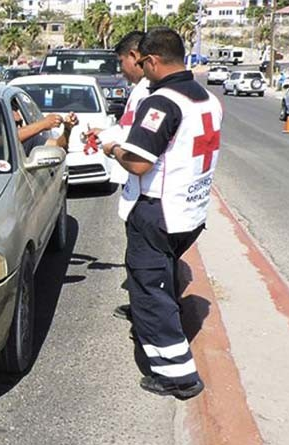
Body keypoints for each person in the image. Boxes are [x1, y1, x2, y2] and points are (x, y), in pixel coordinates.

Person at [101, 28, 222, 399]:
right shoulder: (206, 98)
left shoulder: (162, 102)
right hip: (191, 212)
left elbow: (137, 163)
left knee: (150, 293)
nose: (140, 69)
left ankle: (178, 375)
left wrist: (112, 150)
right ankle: (171, 352)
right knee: (161, 281)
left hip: (159, 212)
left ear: (152, 61)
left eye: (142, 63)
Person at [86, 31, 151, 321]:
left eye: (121, 61)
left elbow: (136, 142)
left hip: (142, 188)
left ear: (135, 57)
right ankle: (142, 308)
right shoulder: (141, 90)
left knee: (144, 260)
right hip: (135, 186)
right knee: (139, 258)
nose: (121, 70)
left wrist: (110, 147)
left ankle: (147, 318)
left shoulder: (148, 92)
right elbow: (127, 128)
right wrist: (105, 134)